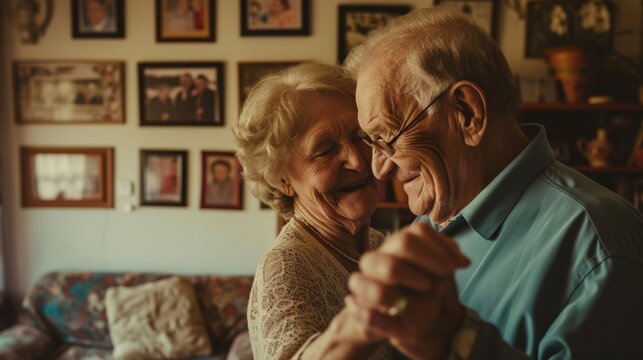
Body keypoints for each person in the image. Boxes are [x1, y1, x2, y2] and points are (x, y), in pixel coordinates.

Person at [343, 7, 643, 359]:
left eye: (387, 137)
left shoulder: (596, 240)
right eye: (372, 142)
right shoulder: (434, 219)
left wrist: (456, 339)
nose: (380, 169)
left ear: (467, 113)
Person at [233, 62, 397, 359]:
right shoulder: (285, 268)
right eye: (325, 150)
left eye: (361, 137)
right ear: (281, 180)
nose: (359, 162)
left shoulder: (376, 244)